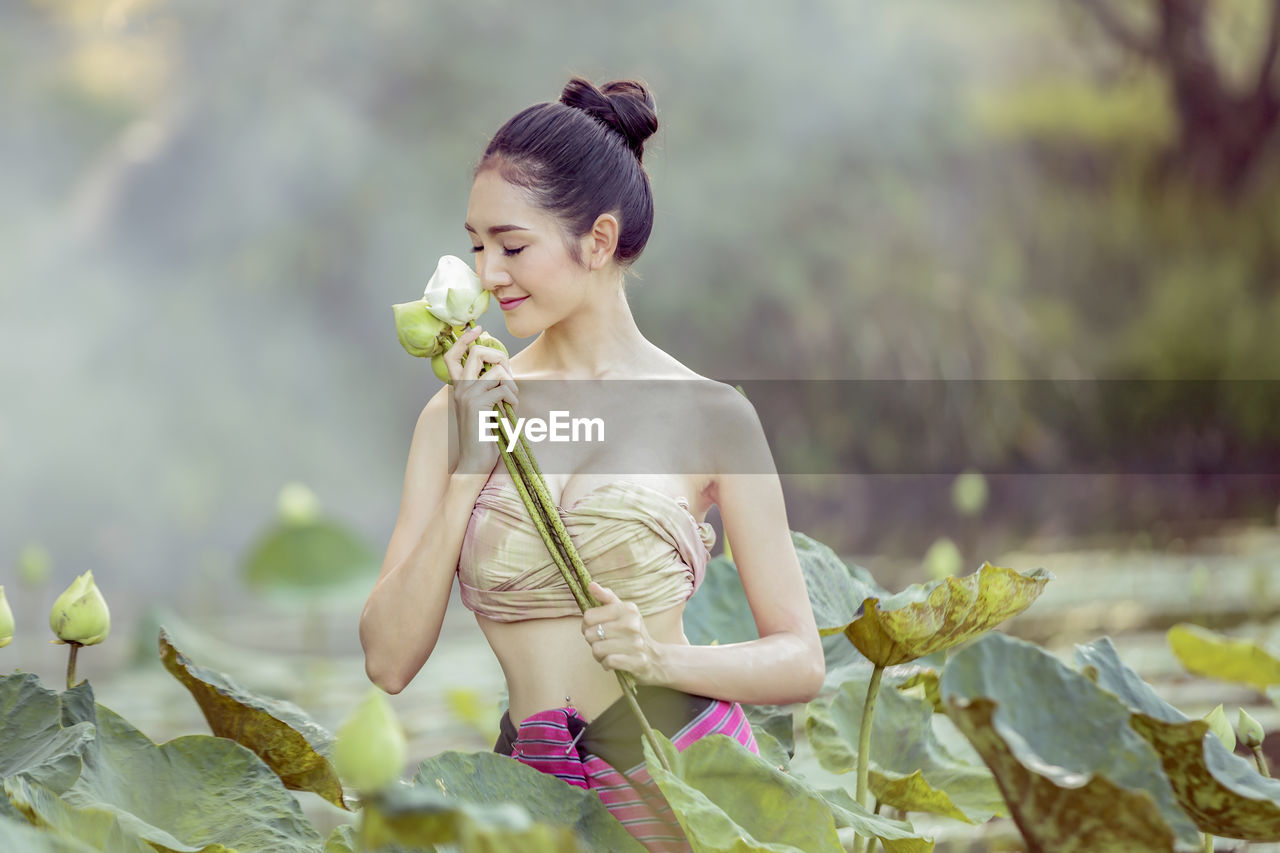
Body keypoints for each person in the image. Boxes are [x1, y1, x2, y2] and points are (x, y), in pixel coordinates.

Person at [359, 76, 824, 852]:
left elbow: (800, 658)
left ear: (599, 241)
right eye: (476, 246)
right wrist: (471, 465)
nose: (487, 274)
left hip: (682, 785)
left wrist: (662, 658)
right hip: (527, 798)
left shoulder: (713, 419)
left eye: (512, 246)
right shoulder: (454, 412)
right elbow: (388, 660)